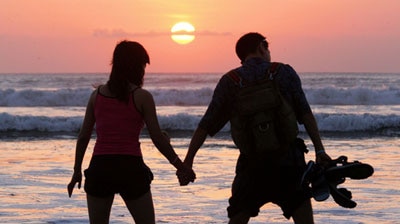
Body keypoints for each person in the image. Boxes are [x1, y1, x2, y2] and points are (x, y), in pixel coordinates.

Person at [179, 32, 332, 224]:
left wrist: (188, 162)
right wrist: (320, 150)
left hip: (252, 167)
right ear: (261, 47)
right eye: (268, 48)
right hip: (289, 163)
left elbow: (206, 125)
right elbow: (305, 114)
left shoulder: (230, 81)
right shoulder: (283, 72)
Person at [67, 40, 196, 224]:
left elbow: (83, 137)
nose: (144, 70)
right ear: (135, 67)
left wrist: (77, 171)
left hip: (100, 168)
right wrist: (181, 167)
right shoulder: (142, 96)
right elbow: (158, 139)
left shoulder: (96, 95)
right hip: (130, 168)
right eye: (143, 65)